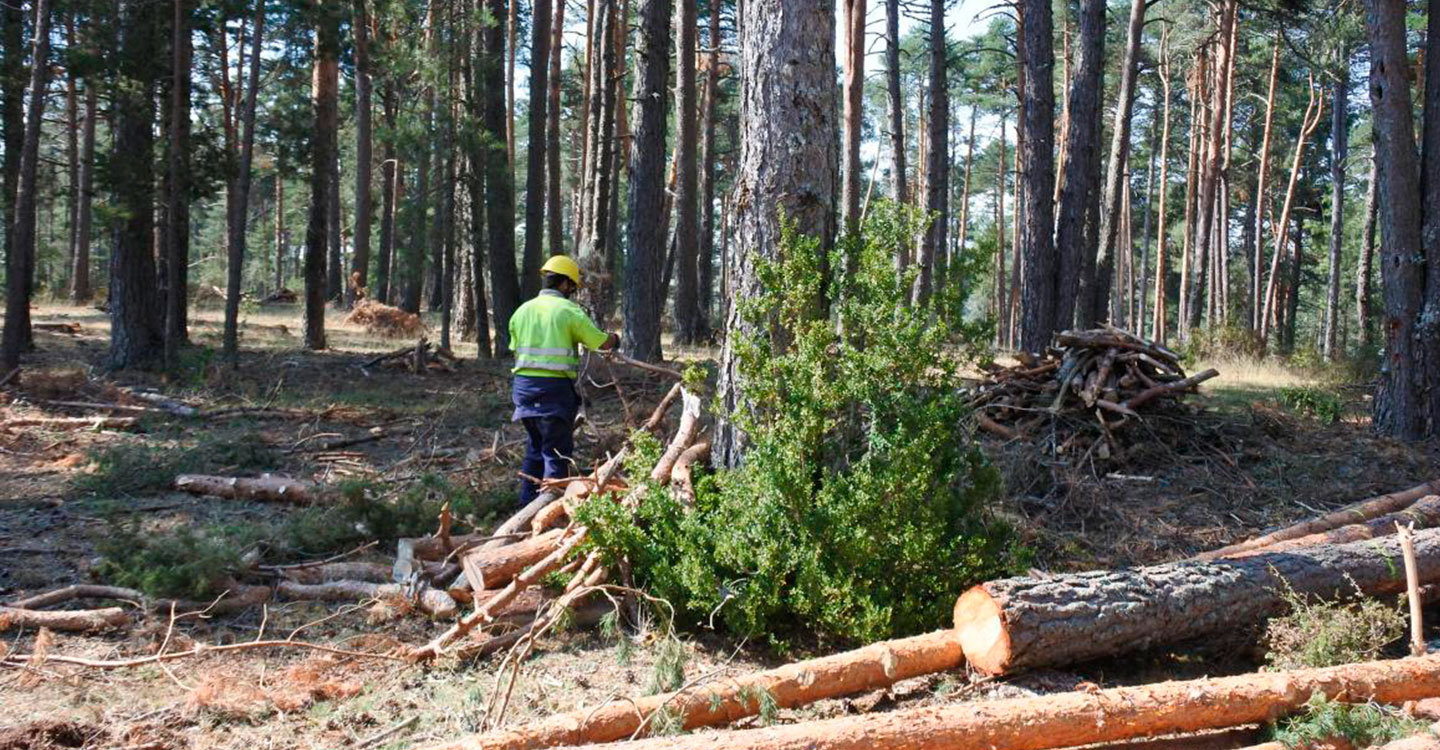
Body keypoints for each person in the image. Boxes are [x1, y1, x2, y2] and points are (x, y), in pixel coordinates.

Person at [509, 255, 618, 505]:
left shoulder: (522, 311)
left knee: (535, 448)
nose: (573, 292)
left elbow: (516, 346)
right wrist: (615, 339)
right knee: (556, 454)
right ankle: (549, 510)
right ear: (565, 284)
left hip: (524, 390)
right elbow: (600, 342)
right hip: (554, 392)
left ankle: (526, 505)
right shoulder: (568, 311)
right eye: (572, 287)